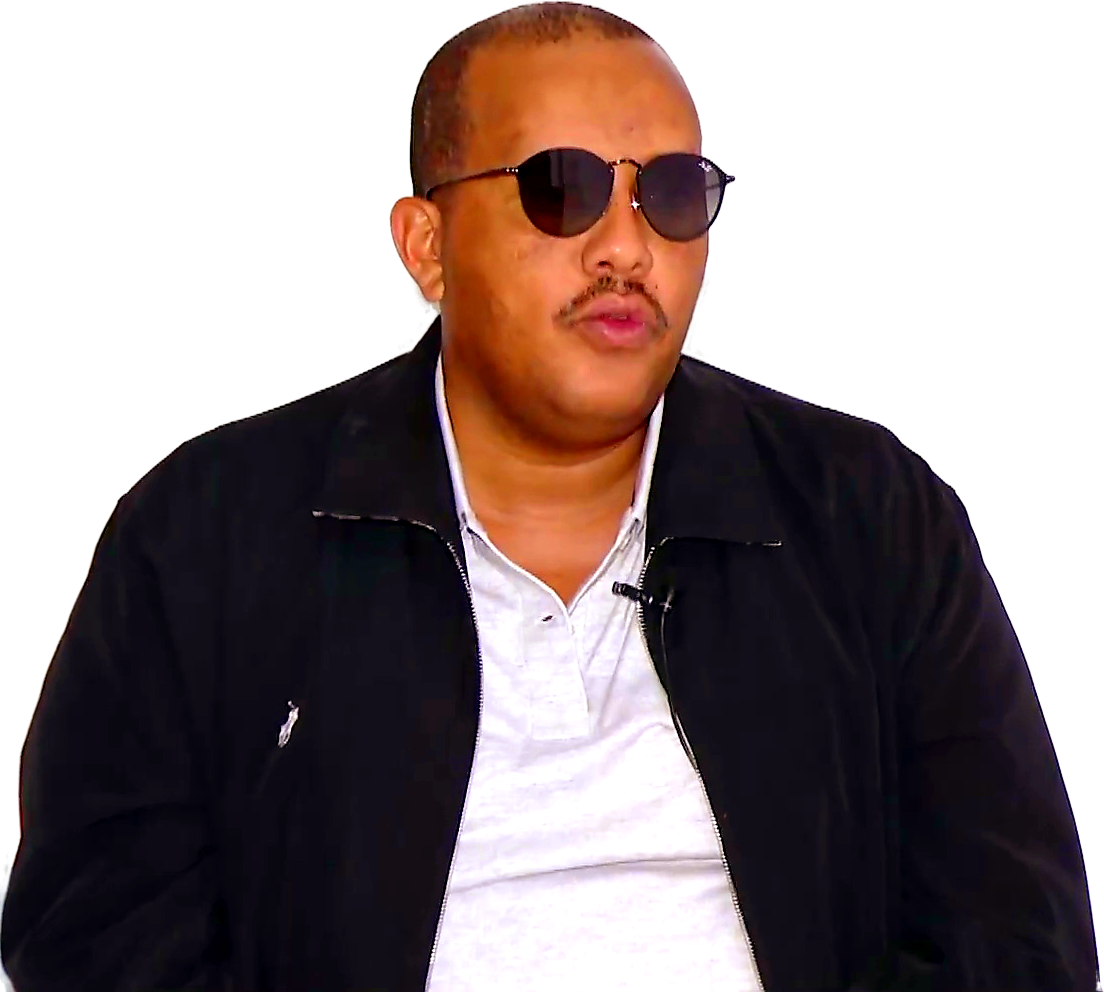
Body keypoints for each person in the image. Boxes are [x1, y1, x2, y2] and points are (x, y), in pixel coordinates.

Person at [1, 3, 1098, 990]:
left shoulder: (867, 515)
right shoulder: (208, 534)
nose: (626, 247)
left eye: (672, 195)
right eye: (561, 189)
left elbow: (1018, 934)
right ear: (427, 246)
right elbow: (92, 936)